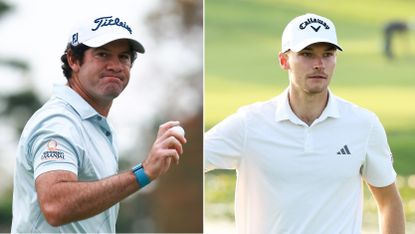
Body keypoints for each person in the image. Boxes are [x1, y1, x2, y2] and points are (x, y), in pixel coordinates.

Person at [205, 13, 405, 233]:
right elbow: (184, 159)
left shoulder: (363, 124)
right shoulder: (249, 124)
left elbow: (389, 203)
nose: (319, 64)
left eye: (327, 54)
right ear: (284, 60)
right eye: (307, 54)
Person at [11, 15, 187, 233]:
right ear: (73, 60)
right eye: (102, 54)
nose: (115, 66)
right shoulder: (59, 122)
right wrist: (144, 172)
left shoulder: (96, 126)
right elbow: (55, 205)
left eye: (123, 57)